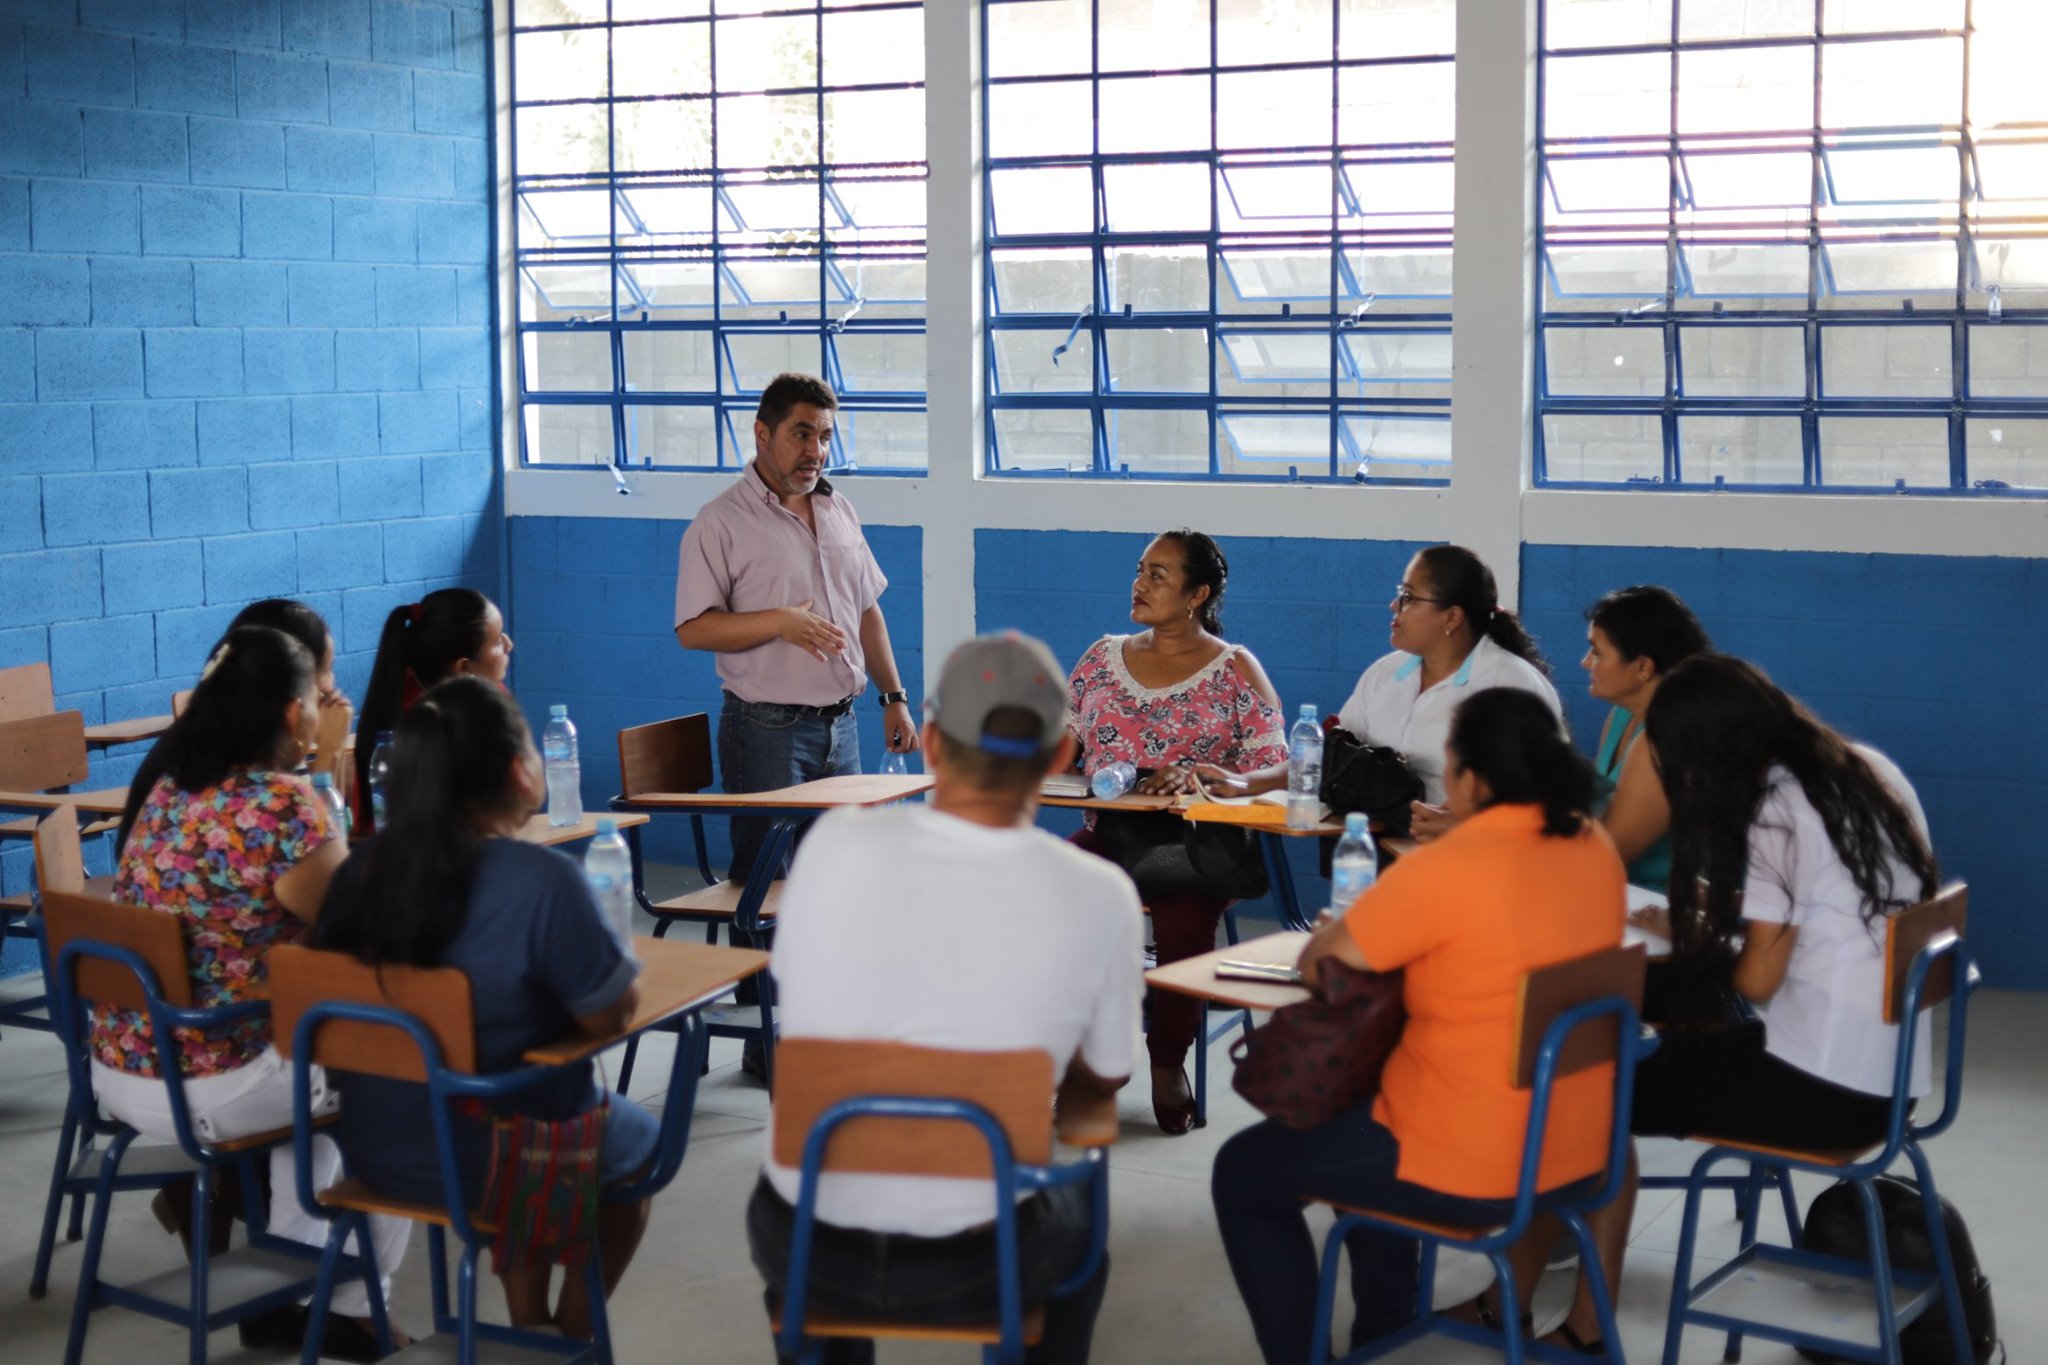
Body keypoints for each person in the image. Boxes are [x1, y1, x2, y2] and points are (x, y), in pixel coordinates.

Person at [748, 631, 1139, 1365]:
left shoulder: (831, 847)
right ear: (1062, 756)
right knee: (1085, 1231)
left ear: (929, 741)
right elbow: (1105, 1077)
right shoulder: (1102, 894)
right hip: (983, 1259)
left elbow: (803, 1002)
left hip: (809, 1248)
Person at [1538, 653, 1940, 1354]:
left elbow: (1755, 983)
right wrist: (1731, 909)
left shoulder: (1776, 815)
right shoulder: (1867, 770)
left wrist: (1706, 936)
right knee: (1644, 1054)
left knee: (1589, 1090)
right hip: (1890, 1076)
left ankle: (1581, 1322)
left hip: (1824, 1089)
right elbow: (1834, 903)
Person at [1210, 688, 1625, 1365]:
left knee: (1243, 1171)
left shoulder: (1448, 866)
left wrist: (1345, 926)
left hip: (1470, 1160)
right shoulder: (1592, 844)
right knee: (1358, 1127)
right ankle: (1383, 1335)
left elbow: (1318, 964)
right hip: (1575, 1149)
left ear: (1472, 778)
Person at [87, 625, 411, 1361]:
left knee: (322, 1108)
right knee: (396, 1085)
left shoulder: (169, 791)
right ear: (296, 713)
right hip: (217, 1080)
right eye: (316, 698)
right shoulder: (282, 805)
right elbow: (360, 928)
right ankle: (352, 1307)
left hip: (125, 1069)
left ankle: (289, 1294)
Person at [312, 676, 656, 1342]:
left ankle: (530, 1327)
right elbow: (610, 1015)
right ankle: (574, 1332)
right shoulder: (542, 880)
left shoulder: (358, 872)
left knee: (521, 1107)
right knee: (635, 1146)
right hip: (498, 1160)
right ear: (517, 771)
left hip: (376, 1146)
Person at [673, 373, 918, 1078]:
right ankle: (768, 1043)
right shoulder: (719, 522)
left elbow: (867, 610)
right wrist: (779, 621)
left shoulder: (838, 509)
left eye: (825, 436)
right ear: (763, 433)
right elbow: (694, 628)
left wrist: (894, 696)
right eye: (802, 433)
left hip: (842, 728)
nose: (816, 450)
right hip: (766, 729)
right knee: (765, 886)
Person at [1063, 529, 1285, 1134]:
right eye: (1140, 570)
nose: (1139, 584)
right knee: (1053, 895)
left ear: (1198, 594)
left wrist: (1216, 777)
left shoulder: (1234, 668)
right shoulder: (1101, 658)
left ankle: (1166, 1062)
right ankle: (1091, 1053)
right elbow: (1062, 747)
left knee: (1184, 922)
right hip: (1111, 836)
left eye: (1158, 575)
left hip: (1195, 848)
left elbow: (1280, 766)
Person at [1201, 545, 1559, 842]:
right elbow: (1331, 758)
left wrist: (1470, 824)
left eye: (1408, 598)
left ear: (1451, 618)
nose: (1394, 606)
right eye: (1400, 594)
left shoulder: (1511, 683)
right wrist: (1247, 781)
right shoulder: (1387, 673)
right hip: (1386, 844)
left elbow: (1547, 799)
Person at [116, 598, 352, 854]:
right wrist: (329, 754)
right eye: (327, 671)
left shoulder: (225, 735)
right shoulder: (239, 762)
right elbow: (321, 852)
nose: (332, 687)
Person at [1580, 585, 1711, 891]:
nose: (1585, 662)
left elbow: (1604, 855)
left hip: (1659, 903)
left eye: (1597, 652)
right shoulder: (1623, 714)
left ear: (1642, 667)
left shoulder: (1669, 738)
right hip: (1617, 890)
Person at [354, 587, 513, 833]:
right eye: (497, 641)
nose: (508, 645)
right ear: (464, 667)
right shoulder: (410, 720)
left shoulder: (492, 693)